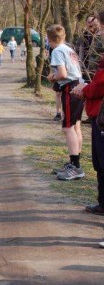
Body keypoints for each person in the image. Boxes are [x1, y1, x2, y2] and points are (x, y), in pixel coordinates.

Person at [72, 9, 104, 217]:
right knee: (99, 162)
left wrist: (85, 90)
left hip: (101, 111)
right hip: (97, 111)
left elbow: (101, 82)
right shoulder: (90, 40)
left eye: (98, 26)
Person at [46, 24, 84, 181]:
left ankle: (75, 167)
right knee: (75, 126)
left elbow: (62, 73)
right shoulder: (69, 49)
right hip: (79, 86)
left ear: (49, 39)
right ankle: (74, 163)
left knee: (67, 127)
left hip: (71, 89)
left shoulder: (57, 51)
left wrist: (52, 77)